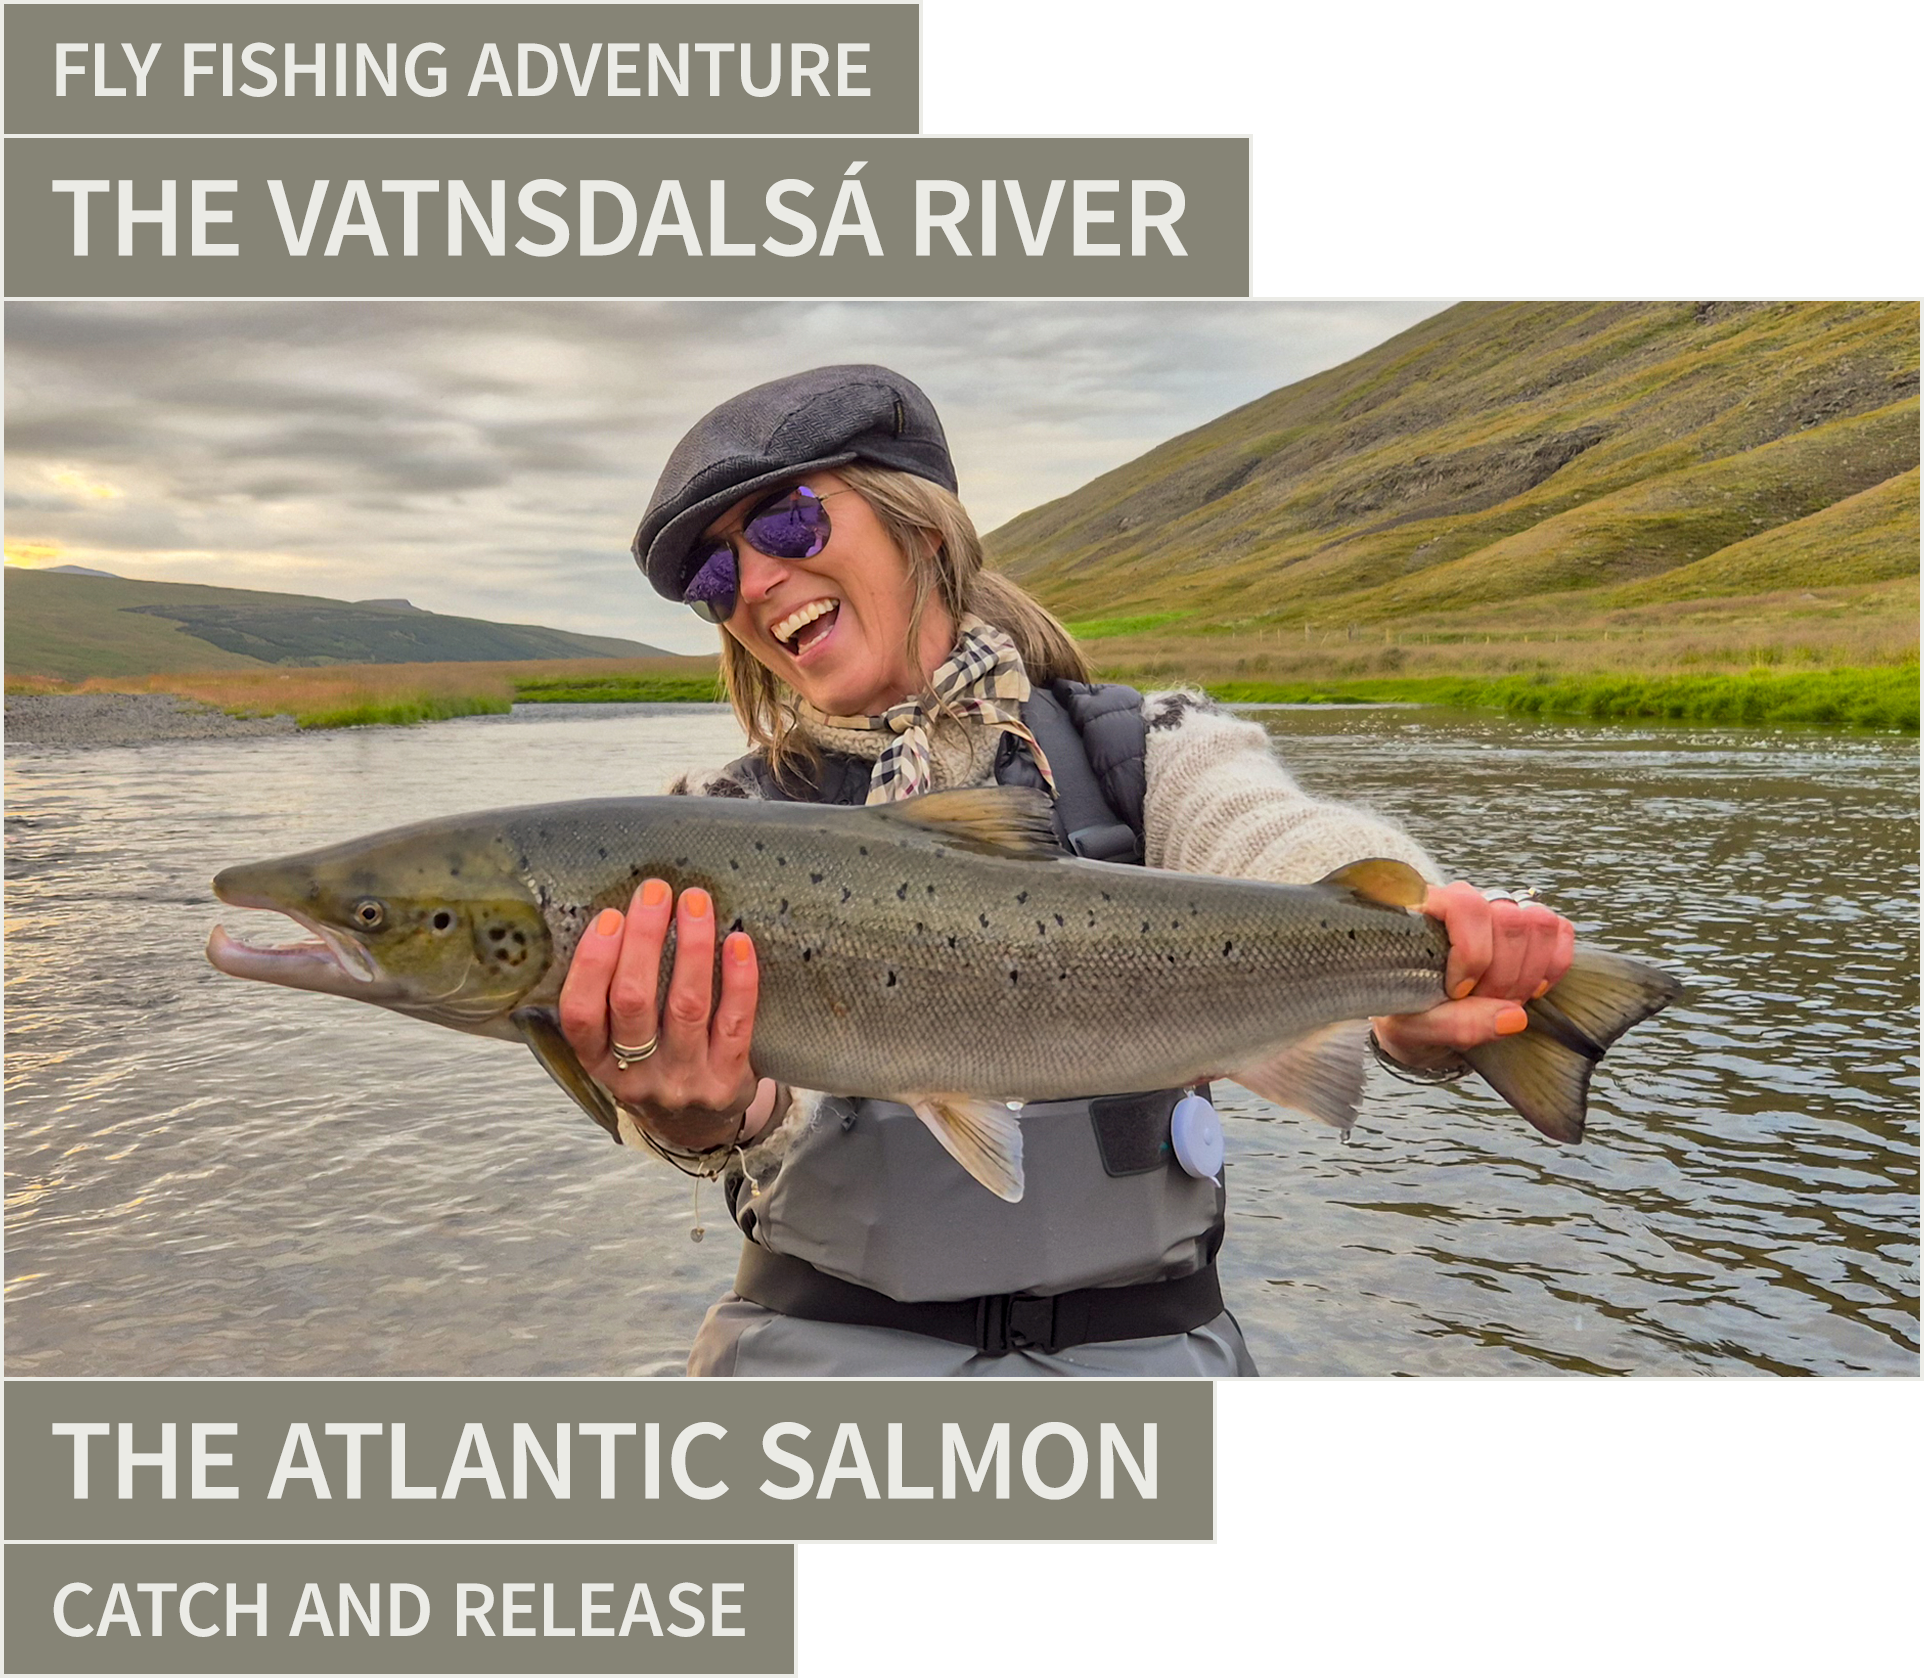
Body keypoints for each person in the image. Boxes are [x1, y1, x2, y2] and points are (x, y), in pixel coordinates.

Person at [559, 365, 1573, 1376]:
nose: (754, 584)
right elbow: (728, 1117)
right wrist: (704, 1116)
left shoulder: (1140, 746)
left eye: (787, 523)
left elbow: (1266, 834)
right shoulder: (714, 819)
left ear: (921, 525)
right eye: (714, 576)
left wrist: (1428, 944)